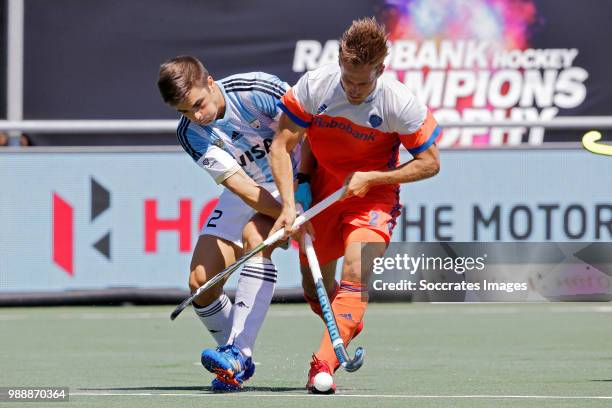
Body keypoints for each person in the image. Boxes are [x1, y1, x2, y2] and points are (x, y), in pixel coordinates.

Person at [269, 17, 442, 393]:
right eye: (348, 78)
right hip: (321, 192)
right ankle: (348, 319)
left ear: (381, 69)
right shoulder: (316, 85)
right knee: (315, 289)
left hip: (373, 194)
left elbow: (431, 163)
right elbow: (282, 145)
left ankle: (323, 363)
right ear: (339, 62)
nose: (353, 88)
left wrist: (373, 178)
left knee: (356, 268)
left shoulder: (399, 102)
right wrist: (290, 203)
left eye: (362, 81)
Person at [157, 56, 302, 391]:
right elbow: (240, 186)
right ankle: (235, 361)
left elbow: (308, 132)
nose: (196, 116)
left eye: (198, 105)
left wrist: (294, 200)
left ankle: (238, 352)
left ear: (210, 82)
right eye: (184, 112)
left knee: (256, 239)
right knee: (201, 283)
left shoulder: (257, 90)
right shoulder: (191, 134)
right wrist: (282, 213)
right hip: (250, 189)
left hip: (297, 180)